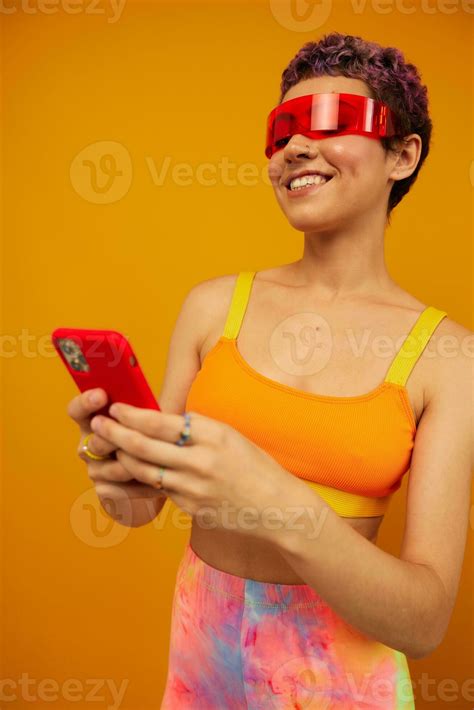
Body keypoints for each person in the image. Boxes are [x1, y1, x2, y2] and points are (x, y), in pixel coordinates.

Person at [68, 32, 473, 709]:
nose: (296, 146)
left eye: (332, 124)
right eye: (282, 130)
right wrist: (115, 471)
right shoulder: (212, 306)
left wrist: (275, 497)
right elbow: (143, 503)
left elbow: (424, 622)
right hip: (201, 660)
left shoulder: (450, 358)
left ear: (402, 155)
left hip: (341, 686)